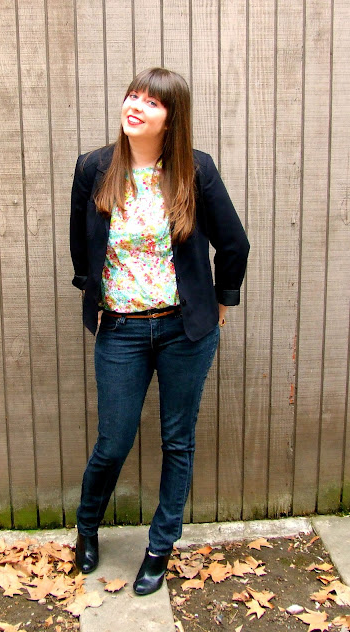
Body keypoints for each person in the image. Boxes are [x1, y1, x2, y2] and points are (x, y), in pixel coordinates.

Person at [70, 67, 249, 596]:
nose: (136, 106)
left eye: (151, 101)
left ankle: (159, 547)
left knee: (177, 440)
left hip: (184, 331)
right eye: (133, 96)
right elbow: (81, 243)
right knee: (113, 441)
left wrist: (223, 299)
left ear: (171, 119)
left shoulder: (195, 169)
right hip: (120, 330)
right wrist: (92, 292)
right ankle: (86, 528)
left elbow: (234, 244)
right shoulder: (94, 167)